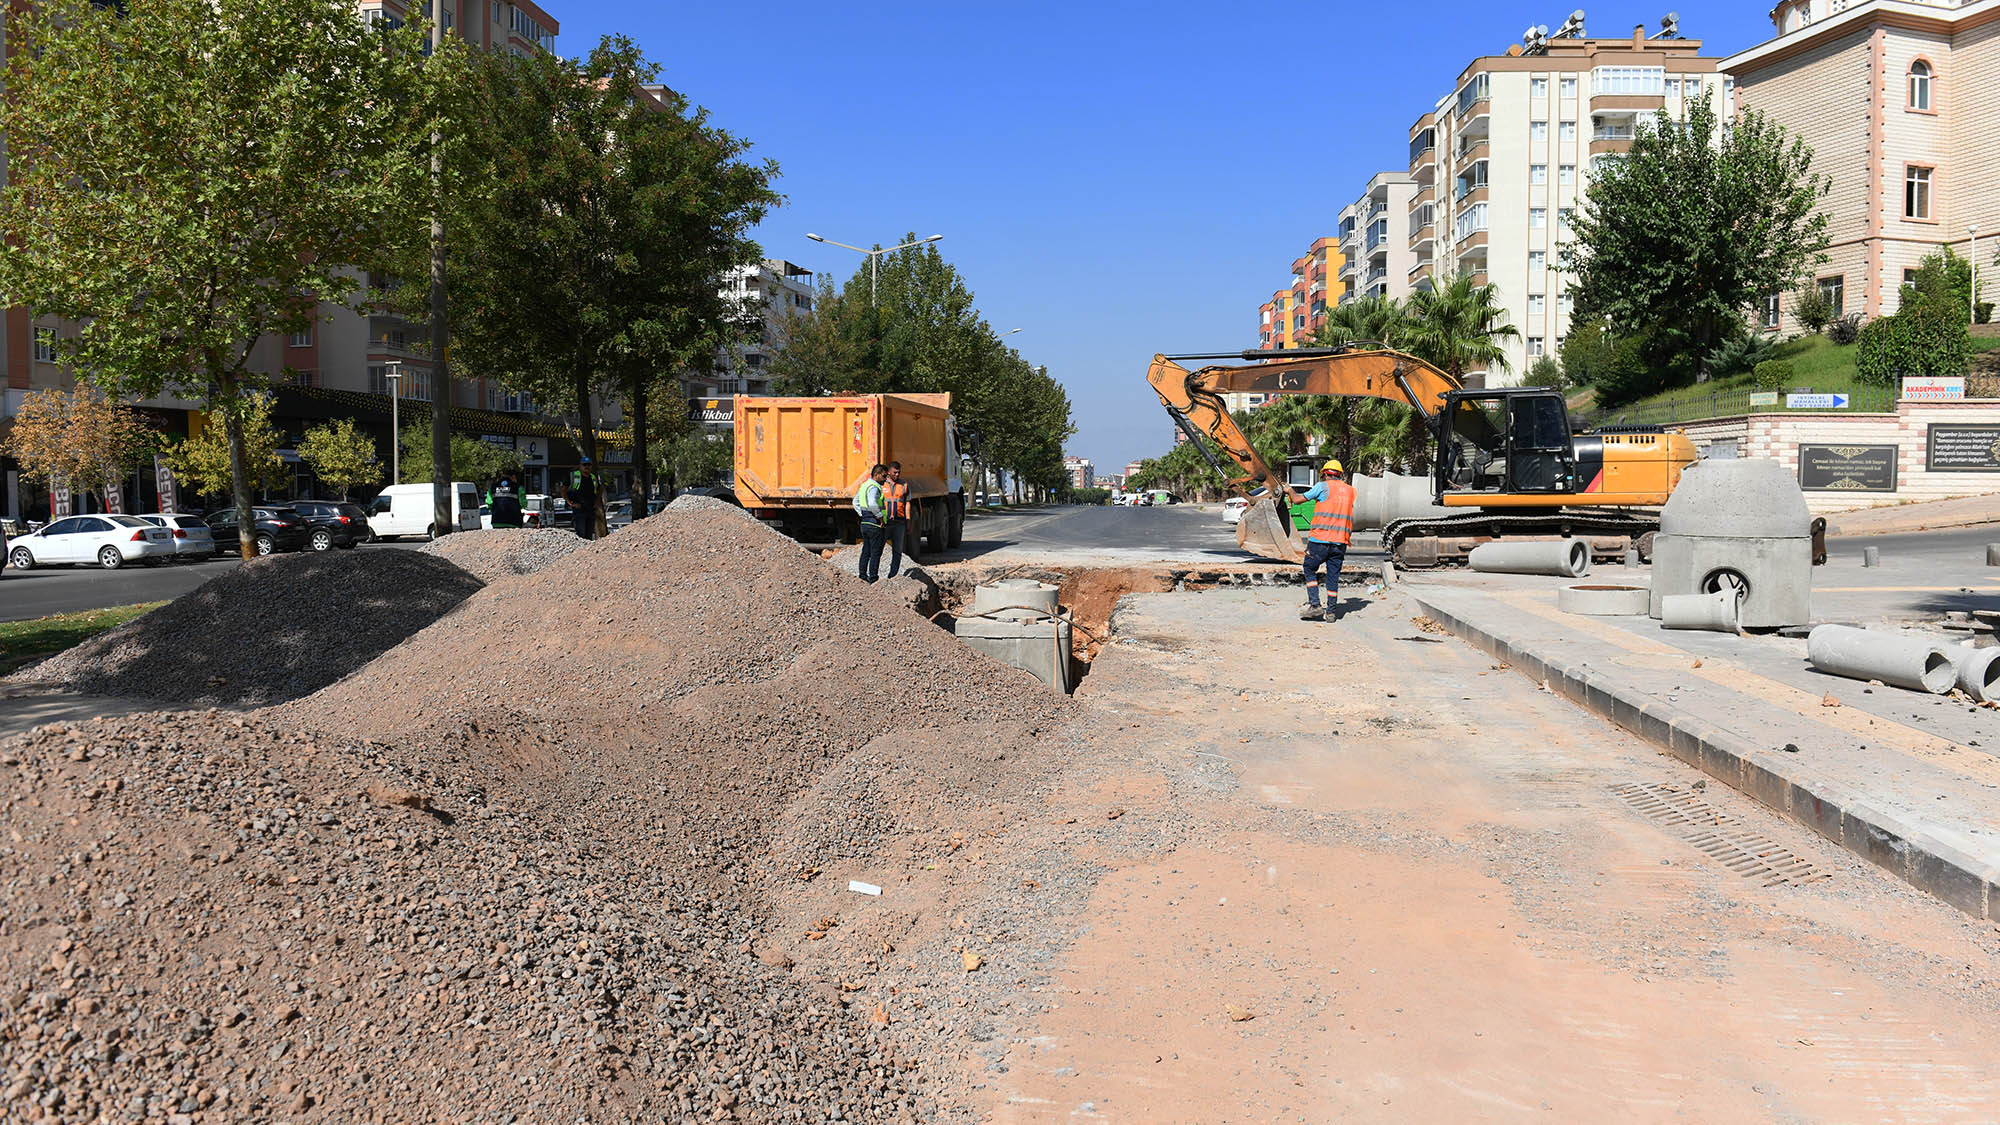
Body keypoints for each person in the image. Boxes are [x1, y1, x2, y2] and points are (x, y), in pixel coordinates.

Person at [1287, 458, 1355, 622]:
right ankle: (1331, 612)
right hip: (1340, 542)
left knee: (1309, 568)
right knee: (1333, 576)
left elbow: (1297, 500)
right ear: (1340, 474)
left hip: (1320, 540)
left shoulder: (1322, 487)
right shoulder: (1350, 490)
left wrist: (1289, 490)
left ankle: (1315, 604)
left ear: (1324, 473)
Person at [853, 463, 889, 583]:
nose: (886, 479)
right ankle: (873, 578)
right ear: (876, 475)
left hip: (865, 523)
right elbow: (873, 503)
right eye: (884, 476)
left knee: (866, 551)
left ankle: (862, 576)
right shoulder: (874, 487)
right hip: (875, 524)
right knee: (875, 552)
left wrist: (863, 514)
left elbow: (855, 502)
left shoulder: (865, 485)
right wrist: (879, 517)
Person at [882, 460, 914, 579]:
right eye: (894, 472)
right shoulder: (882, 484)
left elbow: (907, 503)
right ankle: (875, 574)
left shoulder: (904, 485)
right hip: (884, 523)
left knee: (897, 550)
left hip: (899, 522)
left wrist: (908, 521)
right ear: (889, 472)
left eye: (899, 472)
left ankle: (893, 575)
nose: (897, 475)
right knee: (879, 548)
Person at [569, 458, 599, 540]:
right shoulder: (574, 476)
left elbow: (600, 489)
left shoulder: (593, 478)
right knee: (581, 534)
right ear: (580, 466)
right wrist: (570, 503)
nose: (587, 466)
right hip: (579, 510)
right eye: (584, 464)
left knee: (589, 534)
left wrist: (597, 503)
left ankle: (587, 551)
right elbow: (563, 489)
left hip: (590, 509)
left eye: (589, 464)